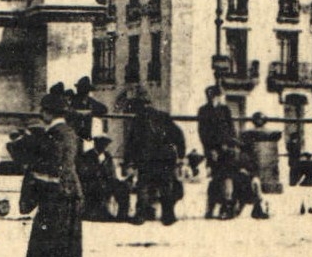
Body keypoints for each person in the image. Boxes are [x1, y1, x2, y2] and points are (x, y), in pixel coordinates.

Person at [23, 91, 85, 257]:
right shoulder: (69, 131)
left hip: (56, 188)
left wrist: (33, 171)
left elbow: (54, 162)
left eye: (43, 111)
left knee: (50, 228)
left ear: (48, 113)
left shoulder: (54, 133)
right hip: (70, 187)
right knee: (68, 230)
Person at [122, 92, 185, 226]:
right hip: (165, 159)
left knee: (144, 186)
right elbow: (179, 135)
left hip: (149, 159)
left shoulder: (138, 120)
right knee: (165, 187)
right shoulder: (163, 117)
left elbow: (131, 144)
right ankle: (168, 215)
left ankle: (141, 215)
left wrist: (128, 161)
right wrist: (181, 154)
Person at [197, 86, 239, 217]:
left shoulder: (225, 110)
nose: (212, 98)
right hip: (213, 150)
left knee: (227, 177)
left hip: (226, 150)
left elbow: (231, 129)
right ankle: (211, 208)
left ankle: (226, 207)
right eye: (209, 96)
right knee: (215, 179)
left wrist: (231, 145)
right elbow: (202, 133)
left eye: (214, 96)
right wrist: (209, 150)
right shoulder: (203, 111)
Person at [79, 136, 131, 222]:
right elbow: (85, 173)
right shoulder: (88, 155)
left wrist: (116, 180)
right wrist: (99, 165)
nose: (104, 147)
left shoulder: (107, 156)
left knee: (123, 187)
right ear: (96, 143)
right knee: (99, 189)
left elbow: (112, 172)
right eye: (102, 144)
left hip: (107, 182)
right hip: (92, 183)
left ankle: (122, 215)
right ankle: (100, 213)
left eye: (105, 144)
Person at [68, 77, 109, 149]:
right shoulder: (73, 100)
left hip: (86, 135)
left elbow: (104, 109)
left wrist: (90, 112)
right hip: (75, 134)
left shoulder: (90, 101)